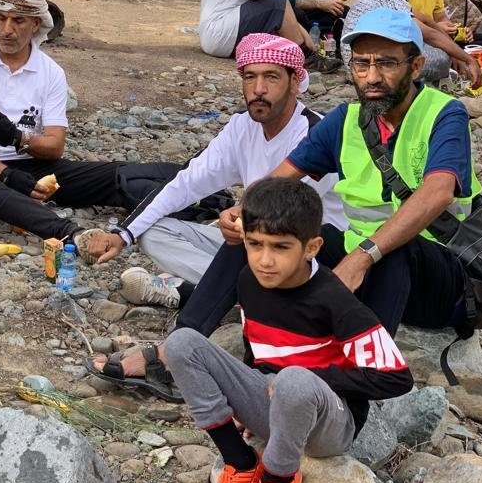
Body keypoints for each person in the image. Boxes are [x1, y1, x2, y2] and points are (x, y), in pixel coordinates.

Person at [80, 34, 346, 400]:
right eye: (250, 77)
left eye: (271, 77)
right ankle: (230, 296)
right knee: (154, 232)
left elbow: (285, 217)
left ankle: (172, 353)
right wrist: (122, 234)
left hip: (309, 256)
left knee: (251, 236)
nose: (258, 89)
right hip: (255, 246)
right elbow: (186, 183)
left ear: (295, 82)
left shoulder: (316, 134)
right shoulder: (242, 127)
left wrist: (240, 218)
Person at [164, 177, 412, 483]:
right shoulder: (249, 281)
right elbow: (256, 352)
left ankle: (278, 482)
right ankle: (240, 462)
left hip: (328, 426)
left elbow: (397, 378)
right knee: (182, 343)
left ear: (311, 247)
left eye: (280, 247)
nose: (265, 260)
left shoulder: (334, 300)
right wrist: (244, 398)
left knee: (293, 380)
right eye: (255, 244)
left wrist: (314, 378)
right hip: (274, 404)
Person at [233, 7, 480, 338]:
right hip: (369, 265)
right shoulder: (344, 120)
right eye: (362, 64)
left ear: (416, 66)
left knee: (396, 248)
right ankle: (189, 340)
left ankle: (364, 365)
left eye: (387, 63)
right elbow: (277, 180)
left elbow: (439, 192)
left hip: (442, 281)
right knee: (267, 231)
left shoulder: (444, 113)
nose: (372, 77)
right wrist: (242, 211)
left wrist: (363, 256)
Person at [0, 0, 169, 246]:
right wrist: (5, 174)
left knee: (116, 174)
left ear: (35, 24)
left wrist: (17, 138)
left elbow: (55, 147)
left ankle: (187, 194)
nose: (6, 30)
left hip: (32, 166)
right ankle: (70, 233)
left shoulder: (51, 72)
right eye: (1, 19)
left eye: (18, 21)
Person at [342, 0, 480, 86]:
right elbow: (430, 34)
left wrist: (455, 51)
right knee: (441, 57)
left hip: (374, 55)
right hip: (362, 69)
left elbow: (426, 19)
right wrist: (469, 60)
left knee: (442, 48)